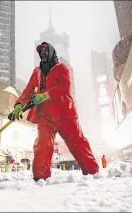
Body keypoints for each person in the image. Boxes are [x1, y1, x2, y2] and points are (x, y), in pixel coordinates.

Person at [8, 42, 99, 181]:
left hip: (65, 114)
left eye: (45, 50)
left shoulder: (62, 68)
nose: (43, 53)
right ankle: (40, 178)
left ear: (51, 52)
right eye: (41, 51)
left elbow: (64, 87)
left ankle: (93, 172)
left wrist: (45, 95)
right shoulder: (36, 72)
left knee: (78, 144)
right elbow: (27, 91)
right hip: (45, 116)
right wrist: (18, 105)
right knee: (42, 147)